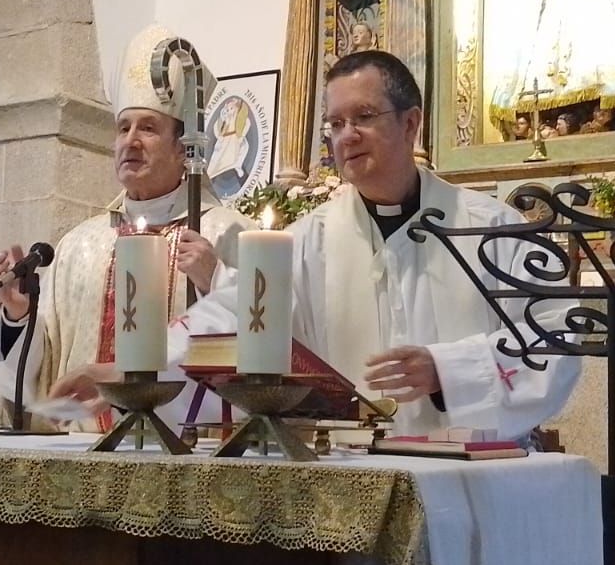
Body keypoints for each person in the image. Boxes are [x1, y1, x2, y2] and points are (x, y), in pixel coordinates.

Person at [184, 51, 580, 439]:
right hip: (351, 477)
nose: (347, 135)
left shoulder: (494, 228)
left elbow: (553, 340)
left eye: (364, 117)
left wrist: (448, 372)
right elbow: (259, 332)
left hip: (473, 478)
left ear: (411, 124)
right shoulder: (305, 241)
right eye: (336, 123)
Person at [0, 25, 255, 430]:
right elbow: (42, 372)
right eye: (123, 128)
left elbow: (266, 345)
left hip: (188, 454)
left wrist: (216, 279)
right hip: (84, 450)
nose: (131, 141)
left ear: (184, 149)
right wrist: (20, 316)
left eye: (148, 127)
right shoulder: (80, 245)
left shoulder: (227, 235)